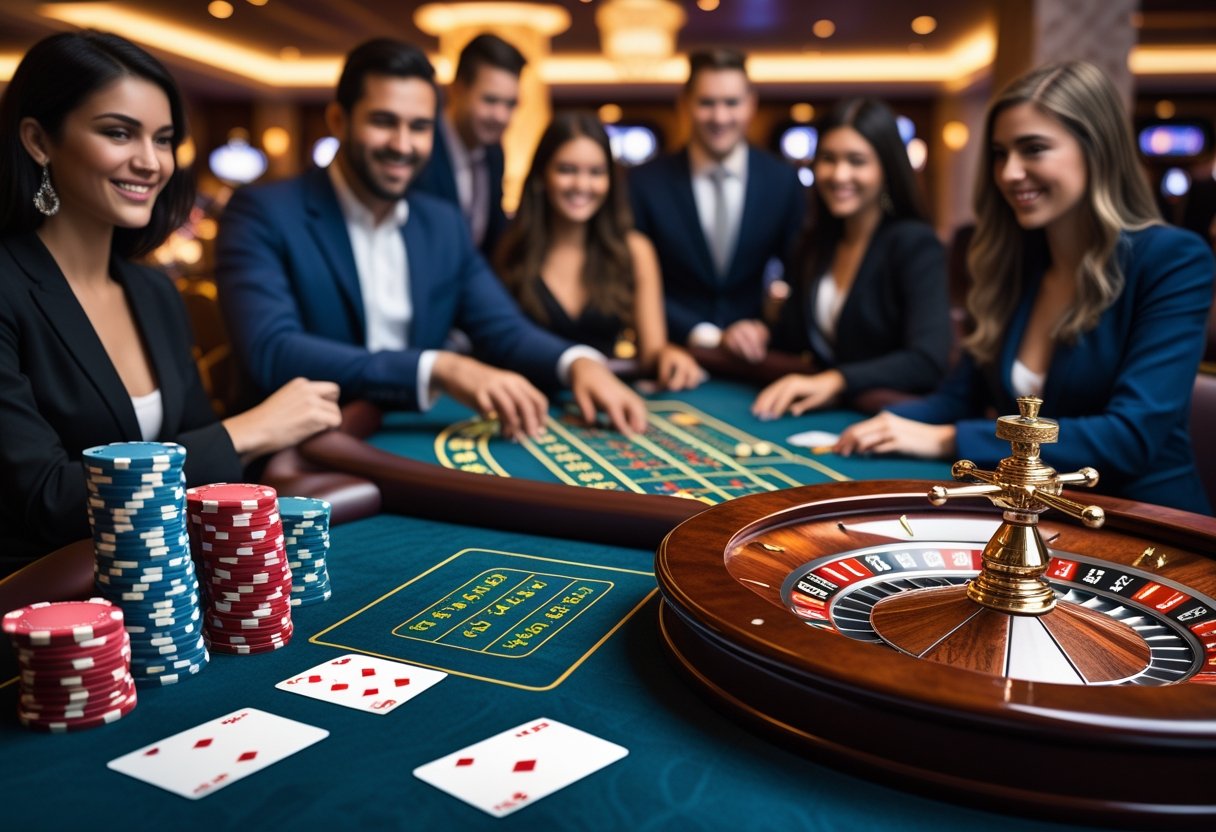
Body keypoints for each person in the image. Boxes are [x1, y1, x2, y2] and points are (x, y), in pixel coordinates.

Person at [0, 31, 341, 576]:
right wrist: (247, 430)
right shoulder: (8, 289)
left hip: (168, 580)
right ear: (39, 141)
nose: (151, 162)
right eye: (119, 133)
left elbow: (200, 465)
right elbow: (48, 499)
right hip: (48, 606)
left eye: (163, 140)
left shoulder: (153, 291)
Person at [216, 39, 646, 443]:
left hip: (408, 441)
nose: (403, 145)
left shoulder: (442, 224)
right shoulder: (262, 213)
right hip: (295, 458)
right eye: (384, 122)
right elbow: (272, 351)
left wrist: (578, 363)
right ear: (338, 120)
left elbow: (504, 328)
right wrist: (437, 368)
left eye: (419, 127)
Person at [837, 61, 1215, 514]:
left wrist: (948, 439)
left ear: (1096, 151)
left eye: (1033, 149)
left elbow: (1131, 436)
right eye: (1000, 153)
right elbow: (959, 397)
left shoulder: (1173, 259)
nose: (1010, 172)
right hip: (1030, 516)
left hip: (1143, 525)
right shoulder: (1014, 263)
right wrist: (885, 420)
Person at [751, 98, 951, 419]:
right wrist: (757, 332)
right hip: (832, 414)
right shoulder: (813, 243)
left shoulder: (914, 243)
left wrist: (837, 380)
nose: (839, 174)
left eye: (857, 161)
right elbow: (792, 340)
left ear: (886, 168)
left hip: (893, 420)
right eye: (828, 159)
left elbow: (927, 360)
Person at [494, 111, 703, 391]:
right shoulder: (510, 249)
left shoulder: (634, 251)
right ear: (542, 176)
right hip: (529, 401)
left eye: (596, 172)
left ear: (610, 180)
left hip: (605, 400)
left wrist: (668, 355)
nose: (582, 185)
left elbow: (652, 351)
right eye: (567, 170)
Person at [629, 48, 803, 358]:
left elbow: (802, 276)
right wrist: (705, 334)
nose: (720, 117)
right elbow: (631, 281)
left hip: (753, 358)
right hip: (673, 354)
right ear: (685, 104)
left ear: (751, 104)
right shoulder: (644, 182)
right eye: (707, 103)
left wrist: (765, 328)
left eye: (731, 103)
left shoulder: (783, 181)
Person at [408, 33, 522, 256]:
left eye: (510, 104)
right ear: (457, 89)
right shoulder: (420, 145)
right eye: (490, 100)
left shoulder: (495, 153)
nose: (502, 116)